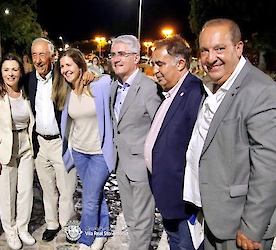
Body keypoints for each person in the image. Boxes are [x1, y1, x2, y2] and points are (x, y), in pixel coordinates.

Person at [183, 18, 276, 250]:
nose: (210, 57)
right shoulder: (212, 85)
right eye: (204, 50)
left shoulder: (260, 90)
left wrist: (252, 227)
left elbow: (269, 167)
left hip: (239, 228)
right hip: (214, 217)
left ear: (239, 48)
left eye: (219, 48)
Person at [144, 35, 204, 250]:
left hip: (183, 201)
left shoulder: (194, 92)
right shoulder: (171, 91)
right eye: (153, 64)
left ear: (181, 63)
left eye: (160, 64)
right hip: (168, 195)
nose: (155, 70)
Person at [53, 48, 115, 250]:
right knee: (95, 194)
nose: (64, 70)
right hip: (79, 152)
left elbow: (110, 78)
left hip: (99, 153)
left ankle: (86, 239)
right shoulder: (67, 93)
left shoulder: (98, 85)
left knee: (88, 198)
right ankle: (102, 232)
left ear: (80, 66)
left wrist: (95, 74)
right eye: (62, 66)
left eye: (68, 65)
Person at [22, 38, 78, 242]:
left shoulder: (62, 76)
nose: (38, 60)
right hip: (40, 143)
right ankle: (52, 223)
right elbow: (8, 82)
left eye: (42, 54)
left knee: (67, 189)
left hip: (60, 143)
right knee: (47, 188)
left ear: (52, 56)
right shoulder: (29, 80)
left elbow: (82, 79)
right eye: (34, 55)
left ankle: (69, 224)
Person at [110, 35, 161, 250]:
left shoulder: (148, 87)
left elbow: (160, 128)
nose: (116, 59)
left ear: (136, 57)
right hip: (121, 163)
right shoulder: (114, 85)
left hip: (142, 166)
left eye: (122, 54)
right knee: (130, 217)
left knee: (142, 221)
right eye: (113, 54)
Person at [0, 54, 36, 250]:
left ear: (21, 71)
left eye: (14, 69)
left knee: (26, 190)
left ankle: (22, 227)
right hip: (5, 146)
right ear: (1, 72)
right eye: (6, 69)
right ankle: (10, 230)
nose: (10, 73)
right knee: (6, 193)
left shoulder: (26, 91)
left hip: (25, 144)